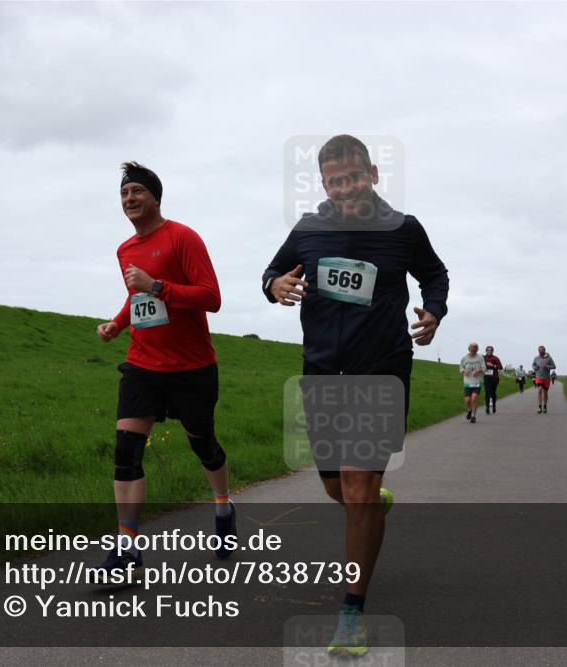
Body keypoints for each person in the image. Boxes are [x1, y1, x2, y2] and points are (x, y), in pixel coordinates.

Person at [262, 135, 449, 655]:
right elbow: (271, 272)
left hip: (381, 370)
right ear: (323, 183)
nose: (346, 189)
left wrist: (434, 310)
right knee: (336, 490)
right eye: (335, 181)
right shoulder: (308, 229)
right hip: (321, 371)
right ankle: (370, 509)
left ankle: (352, 612)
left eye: (354, 177)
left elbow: (435, 274)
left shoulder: (403, 230)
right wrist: (275, 285)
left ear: (373, 173)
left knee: (359, 486)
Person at [95, 161, 235, 573]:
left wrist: (157, 286)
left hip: (191, 366)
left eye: (137, 191)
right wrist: (117, 325)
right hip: (142, 363)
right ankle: (127, 549)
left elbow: (211, 297)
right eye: (123, 194)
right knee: (126, 453)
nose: (129, 199)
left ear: (155, 196)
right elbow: (135, 299)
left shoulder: (183, 238)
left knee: (203, 445)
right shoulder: (125, 250)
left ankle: (224, 506)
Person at [460, 343, 485, 423]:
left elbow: (484, 368)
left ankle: (473, 416)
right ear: (469, 349)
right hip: (467, 382)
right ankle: (469, 410)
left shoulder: (480, 358)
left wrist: (479, 370)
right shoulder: (464, 358)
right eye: (472, 348)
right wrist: (464, 370)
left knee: (474, 398)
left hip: (477, 381)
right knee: (467, 400)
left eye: (475, 348)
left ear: (477, 349)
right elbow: (460, 368)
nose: (473, 350)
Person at [532, 345, 557, 414]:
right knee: (539, 390)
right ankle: (539, 407)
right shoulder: (536, 358)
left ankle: (545, 406)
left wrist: (547, 366)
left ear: (544, 350)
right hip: (538, 377)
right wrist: (535, 367)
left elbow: (554, 366)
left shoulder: (549, 358)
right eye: (539, 350)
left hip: (546, 378)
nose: (540, 351)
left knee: (545, 392)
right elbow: (533, 365)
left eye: (542, 350)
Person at [483, 345, 503, 414]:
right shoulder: (483, 358)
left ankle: (494, 405)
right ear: (486, 351)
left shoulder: (495, 358)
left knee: (493, 393)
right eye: (488, 350)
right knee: (487, 392)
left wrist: (493, 365)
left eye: (490, 350)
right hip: (486, 377)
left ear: (492, 351)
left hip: (494, 377)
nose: (489, 351)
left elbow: (500, 367)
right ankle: (487, 408)